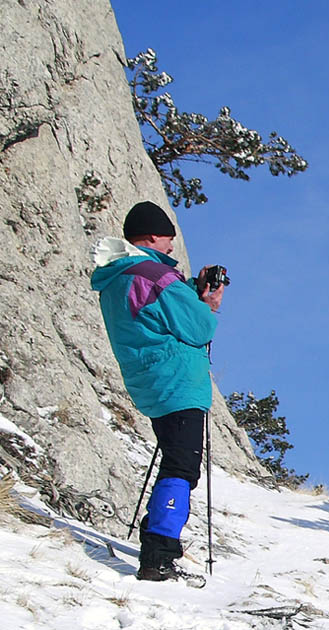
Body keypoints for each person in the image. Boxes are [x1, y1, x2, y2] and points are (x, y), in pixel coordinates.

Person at [91, 200, 226, 581]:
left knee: (175, 462)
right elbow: (199, 328)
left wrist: (188, 293)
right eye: (169, 238)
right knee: (182, 467)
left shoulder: (120, 276)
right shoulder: (154, 275)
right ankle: (158, 556)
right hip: (177, 382)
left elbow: (154, 316)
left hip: (150, 381)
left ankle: (157, 540)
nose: (171, 245)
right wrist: (209, 304)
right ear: (153, 235)